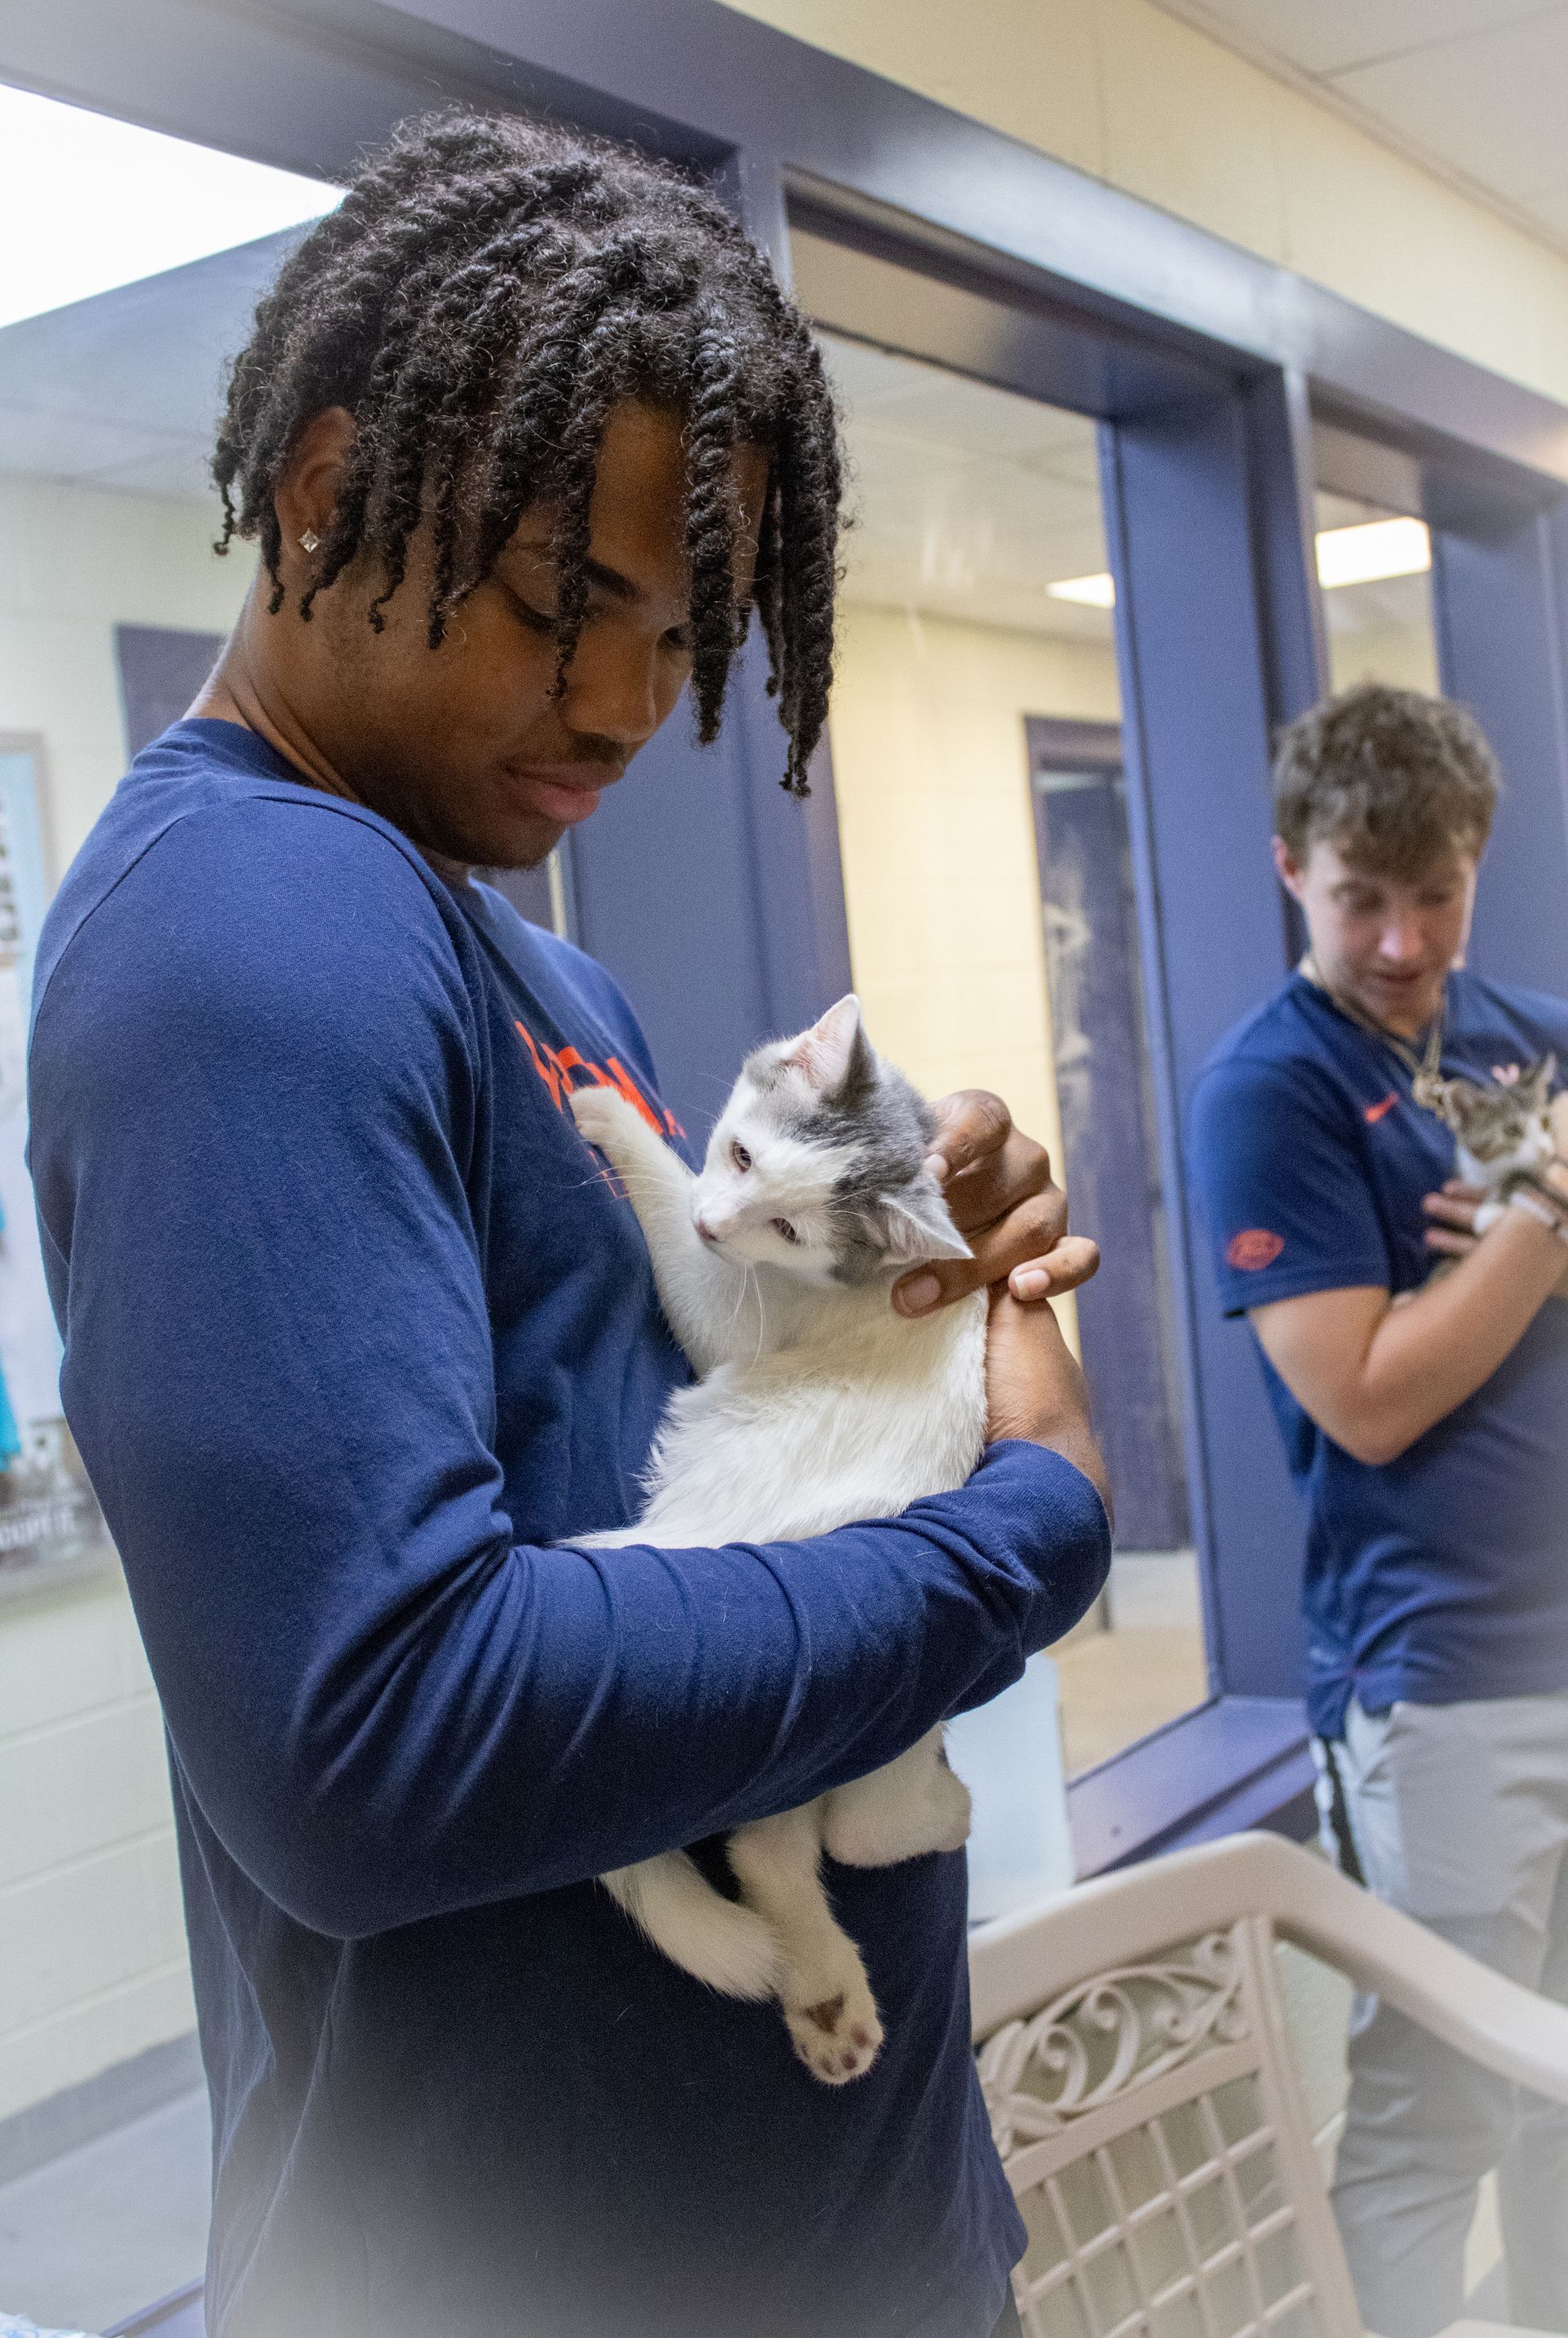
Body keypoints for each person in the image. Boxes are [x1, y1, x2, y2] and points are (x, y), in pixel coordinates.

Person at [25, 112, 1111, 2338]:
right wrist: (1023, 1534)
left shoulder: (525, 961)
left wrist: (915, 1301)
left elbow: (661, 1466)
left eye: (680, 630)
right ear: (323, 488)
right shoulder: (252, 924)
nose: (625, 708)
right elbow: (378, 1737)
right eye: (561, 611)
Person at [1191, 682, 1568, 2338]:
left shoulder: (1528, 1035)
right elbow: (1369, 1390)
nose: (1407, 941)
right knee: (1440, 2107)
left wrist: (1486, 1253)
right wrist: (1547, 1217)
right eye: (1364, 897)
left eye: (1440, 895)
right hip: (1442, 1682)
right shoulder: (1267, 1090)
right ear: (1290, 867)